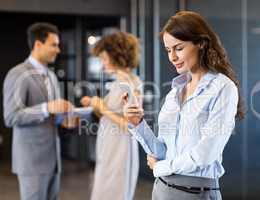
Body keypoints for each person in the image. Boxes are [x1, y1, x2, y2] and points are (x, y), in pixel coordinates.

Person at [124, 11, 245, 200]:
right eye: (168, 50)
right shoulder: (175, 92)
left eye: (178, 48)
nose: (172, 57)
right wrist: (138, 124)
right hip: (161, 189)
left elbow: (205, 155)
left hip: (196, 193)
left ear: (201, 43)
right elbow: (163, 152)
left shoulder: (223, 88)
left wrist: (160, 167)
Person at [3, 22, 77, 200]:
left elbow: (51, 116)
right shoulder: (17, 73)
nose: (58, 50)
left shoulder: (51, 75)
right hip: (31, 163)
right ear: (38, 44)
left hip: (54, 161)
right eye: (54, 44)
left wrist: (64, 119)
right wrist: (46, 107)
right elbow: (11, 117)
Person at [80, 31, 142, 200]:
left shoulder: (130, 83)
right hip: (110, 146)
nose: (102, 64)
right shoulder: (118, 82)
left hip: (120, 150)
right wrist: (95, 104)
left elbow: (132, 126)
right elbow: (112, 114)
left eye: (104, 58)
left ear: (116, 56)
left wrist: (101, 106)